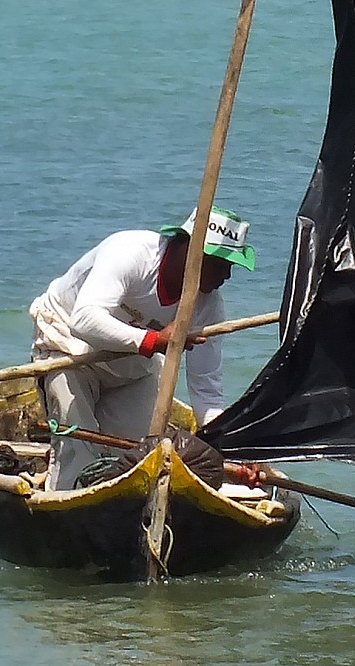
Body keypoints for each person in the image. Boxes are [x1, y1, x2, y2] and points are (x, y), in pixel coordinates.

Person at [27, 207, 256, 491]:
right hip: (69, 348)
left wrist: (232, 447)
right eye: (220, 264)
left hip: (134, 365)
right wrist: (155, 340)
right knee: (78, 448)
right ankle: (63, 501)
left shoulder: (209, 306)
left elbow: (207, 393)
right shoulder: (131, 253)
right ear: (189, 248)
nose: (227, 276)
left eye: (231, 266)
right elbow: (83, 320)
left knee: (137, 458)